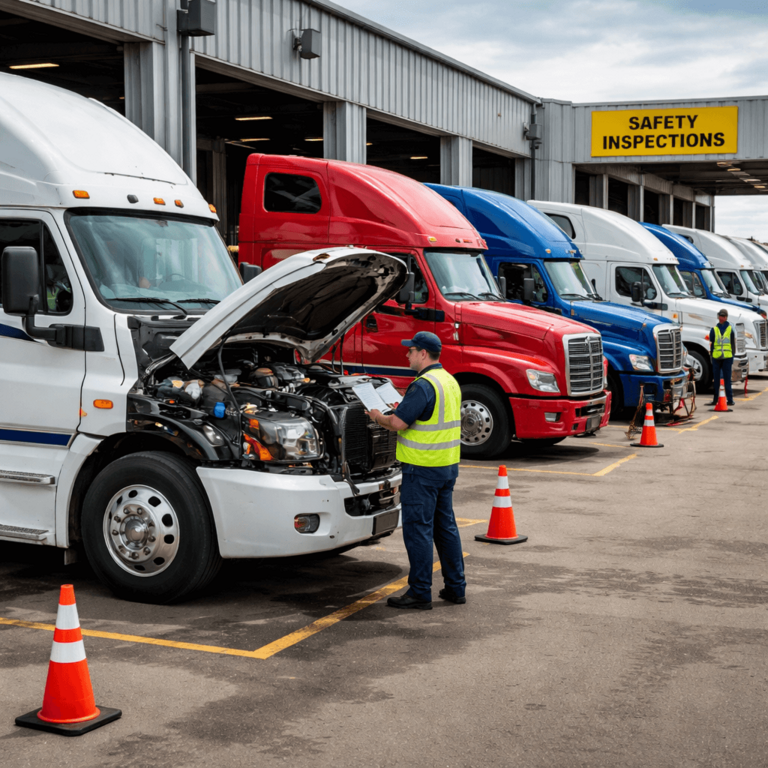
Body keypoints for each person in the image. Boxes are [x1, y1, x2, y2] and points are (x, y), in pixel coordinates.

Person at [366, 331, 466, 610]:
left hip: (421, 470)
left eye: (410, 351)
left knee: (418, 530)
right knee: (445, 527)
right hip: (446, 466)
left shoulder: (422, 385)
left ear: (423, 354)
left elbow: (398, 423)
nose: (407, 355)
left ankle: (420, 591)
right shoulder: (449, 380)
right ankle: (456, 587)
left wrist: (376, 416)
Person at [709, 308, 735, 406]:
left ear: (726, 317)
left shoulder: (730, 329)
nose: (722, 318)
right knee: (716, 380)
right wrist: (711, 356)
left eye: (723, 316)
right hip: (716, 357)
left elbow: (733, 344)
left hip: (727, 357)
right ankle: (715, 399)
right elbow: (712, 343)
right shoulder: (714, 329)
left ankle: (730, 400)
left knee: (727, 379)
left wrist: (732, 356)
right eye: (720, 316)